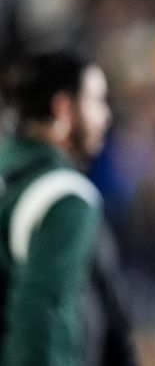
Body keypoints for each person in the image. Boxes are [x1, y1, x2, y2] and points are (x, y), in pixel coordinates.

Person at [0, 49, 134, 366]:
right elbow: (41, 319)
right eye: (97, 101)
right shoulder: (64, 196)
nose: (106, 117)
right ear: (63, 108)